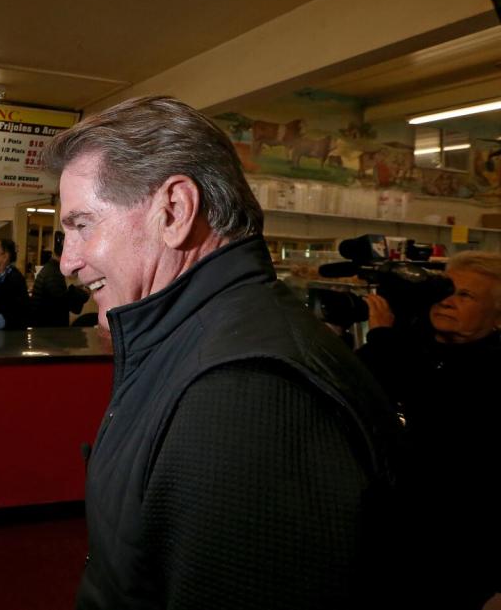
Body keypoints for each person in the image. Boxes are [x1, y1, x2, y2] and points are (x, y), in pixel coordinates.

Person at [43, 96, 402, 610]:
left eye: (81, 225)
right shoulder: (202, 343)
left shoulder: (247, 395)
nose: (67, 262)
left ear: (175, 210)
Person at [356, 251, 501, 610]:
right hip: (385, 545)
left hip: (459, 555)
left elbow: (438, 411)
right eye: (444, 289)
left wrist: (383, 339)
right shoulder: (415, 344)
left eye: (465, 296)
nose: (447, 301)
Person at [29, 235, 89, 327]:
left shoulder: (51, 269)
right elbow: (63, 302)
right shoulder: (53, 274)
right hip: (48, 332)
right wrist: (83, 293)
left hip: (43, 328)